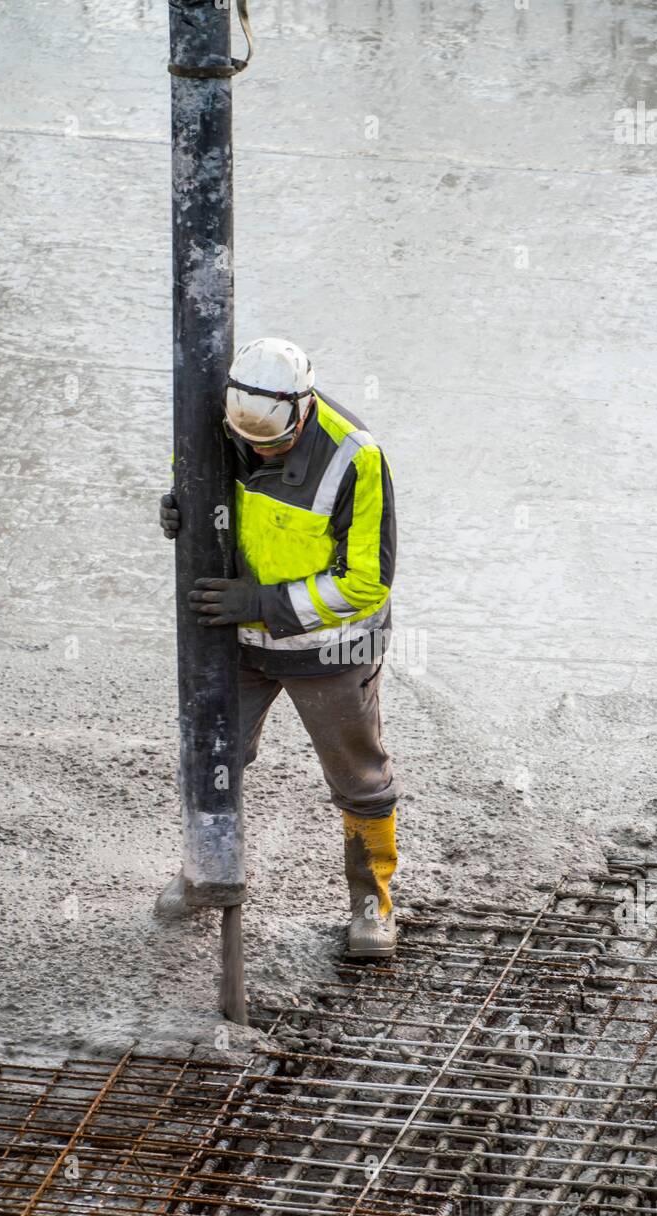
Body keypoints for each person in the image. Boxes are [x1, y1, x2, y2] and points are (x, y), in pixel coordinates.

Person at [158, 337, 399, 957]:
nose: (261, 451)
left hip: (329, 650)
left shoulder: (355, 457)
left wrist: (263, 604)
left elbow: (366, 581)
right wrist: (180, 512)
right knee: (211, 754)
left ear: (303, 408)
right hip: (237, 641)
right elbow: (207, 498)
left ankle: (371, 905)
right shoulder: (220, 424)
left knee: (359, 778)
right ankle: (204, 869)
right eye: (251, 442)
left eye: (274, 442)